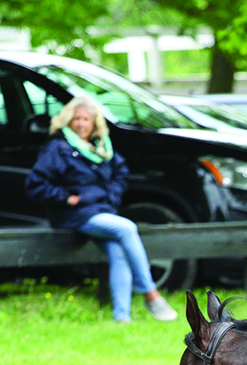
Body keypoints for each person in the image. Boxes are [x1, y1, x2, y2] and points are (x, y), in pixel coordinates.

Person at [24, 96, 178, 324]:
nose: (81, 124)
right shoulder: (58, 147)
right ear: (67, 121)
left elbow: (120, 175)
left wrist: (113, 195)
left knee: (118, 254)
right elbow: (35, 184)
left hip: (101, 211)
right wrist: (67, 198)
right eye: (76, 119)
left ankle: (122, 319)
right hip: (73, 214)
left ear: (94, 123)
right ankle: (151, 294)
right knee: (127, 228)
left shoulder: (102, 147)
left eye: (86, 119)